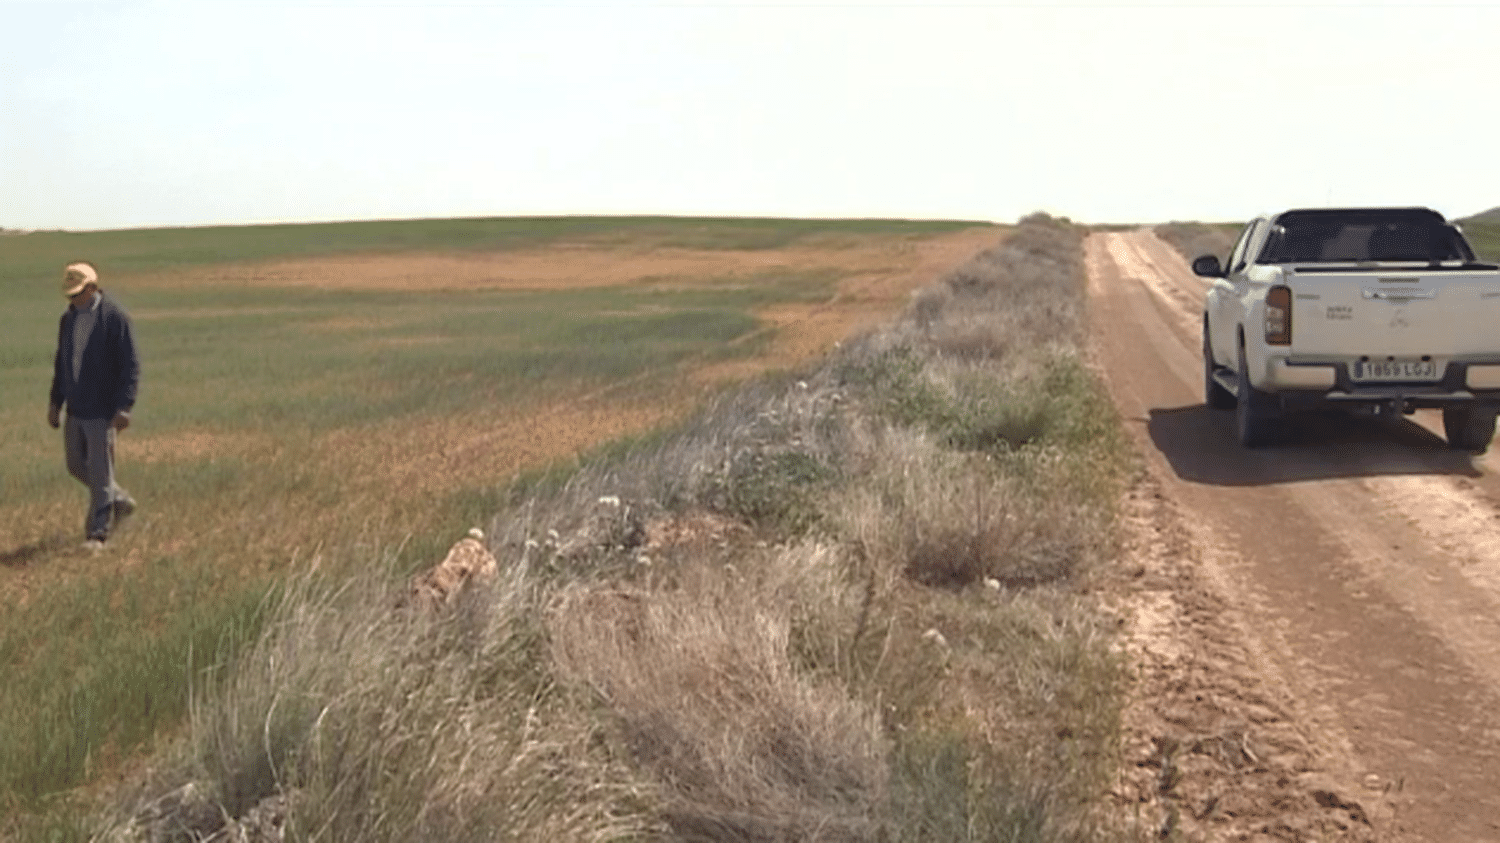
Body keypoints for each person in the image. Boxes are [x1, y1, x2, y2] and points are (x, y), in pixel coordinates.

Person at [48, 261, 140, 549]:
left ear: (92, 287)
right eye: (69, 295)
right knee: (75, 465)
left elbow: (131, 366)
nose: (72, 300)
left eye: (77, 293)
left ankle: (97, 535)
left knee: (101, 474)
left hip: (103, 411)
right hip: (75, 408)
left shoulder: (115, 318)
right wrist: (55, 402)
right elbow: (62, 363)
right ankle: (119, 500)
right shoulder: (68, 319)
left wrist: (125, 407)